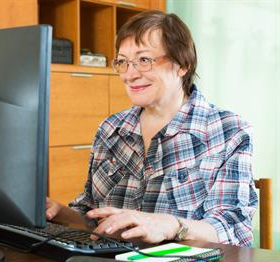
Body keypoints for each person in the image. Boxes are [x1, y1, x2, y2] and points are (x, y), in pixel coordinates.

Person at [46, 10, 258, 246]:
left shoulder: (229, 131)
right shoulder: (110, 130)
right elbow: (93, 215)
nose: (130, 74)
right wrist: (61, 214)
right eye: (123, 62)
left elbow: (234, 229)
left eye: (144, 60)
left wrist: (170, 225)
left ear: (182, 65)